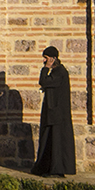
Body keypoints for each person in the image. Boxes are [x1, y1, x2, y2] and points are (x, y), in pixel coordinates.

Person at [31, 45, 76, 176]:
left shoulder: (60, 72)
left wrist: (46, 68)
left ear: (53, 58)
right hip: (52, 114)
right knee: (49, 141)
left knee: (57, 143)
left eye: (46, 58)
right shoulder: (56, 72)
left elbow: (43, 81)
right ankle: (45, 168)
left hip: (57, 115)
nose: (44, 61)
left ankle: (57, 170)